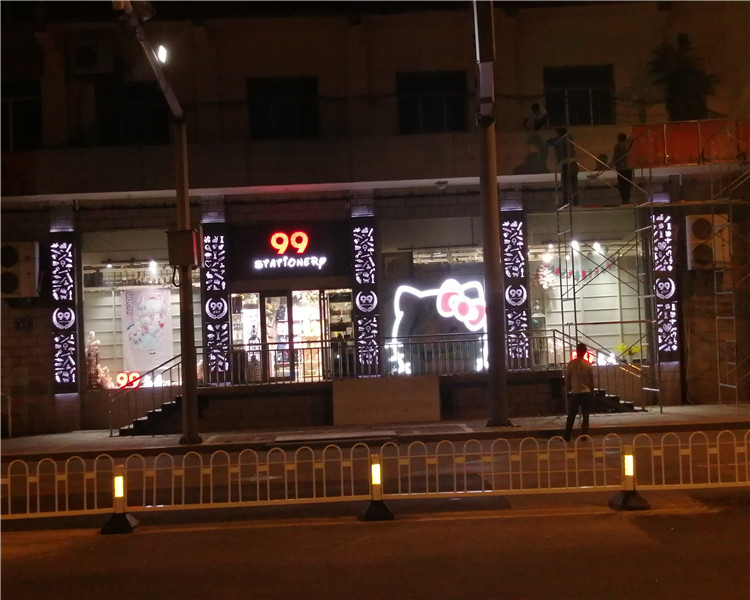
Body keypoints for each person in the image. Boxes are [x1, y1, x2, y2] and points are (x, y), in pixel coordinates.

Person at [563, 342, 595, 442]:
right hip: (586, 392)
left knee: (571, 415)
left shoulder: (571, 364)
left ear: (576, 351)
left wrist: (568, 390)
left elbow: (568, 379)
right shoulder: (588, 365)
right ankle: (584, 435)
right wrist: (592, 391)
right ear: (585, 352)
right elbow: (591, 380)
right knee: (586, 416)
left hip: (575, 392)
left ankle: (567, 436)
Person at [547, 127, 579, 207]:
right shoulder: (570, 138)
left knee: (565, 185)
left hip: (567, 164)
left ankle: (566, 202)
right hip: (574, 164)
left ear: (560, 133)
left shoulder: (560, 140)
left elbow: (549, 141)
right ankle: (576, 202)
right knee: (574, 184)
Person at [611, 132, 634, 204]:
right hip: (629, 167)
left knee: (622, 185)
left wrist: (613, 163)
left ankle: (624, 199)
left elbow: (616, 156)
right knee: (627, 184)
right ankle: (627, 199)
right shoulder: (629, 145)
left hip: (621, 168)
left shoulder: (617, 146)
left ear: (619, 139)